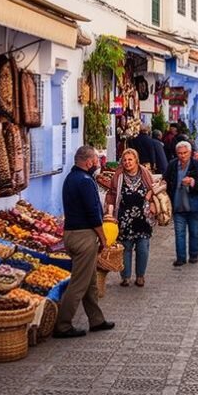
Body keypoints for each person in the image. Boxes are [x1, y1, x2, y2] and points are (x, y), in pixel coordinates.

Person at [54, 145, 114, 338]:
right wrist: (104, 239)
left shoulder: (70, 179)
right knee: (79, 283)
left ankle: (96, 320)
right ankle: (62, 325)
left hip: (71, 234)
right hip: (83, 236)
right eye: (96, 160)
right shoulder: (86, 181)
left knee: (90, 282)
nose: (97, 163)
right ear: (88, 162)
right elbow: (93, 215)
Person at [104, 149, 155, 287]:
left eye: (130, 159)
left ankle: (140, 276)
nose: (127, 162)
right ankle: (125, 277)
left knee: (143, 248)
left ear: (136, 160)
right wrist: (109, 209)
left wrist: (150, 199)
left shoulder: (144, 173)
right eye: (125, 160)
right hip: (124, 218)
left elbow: (153, 187)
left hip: (143, 217)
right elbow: (112, 193)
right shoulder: (118, 175)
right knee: (125, 248)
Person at [165, 141, 198, 266]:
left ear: (190, 153)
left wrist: (193, 182)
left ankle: (194, 255)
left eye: (185, 153)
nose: (182, 156)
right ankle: (181, 258)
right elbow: (166, 180)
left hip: (194, 206)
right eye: (179, 153)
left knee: (194, 232)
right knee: (179, 233)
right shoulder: (172, 165)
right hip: (178, 206)